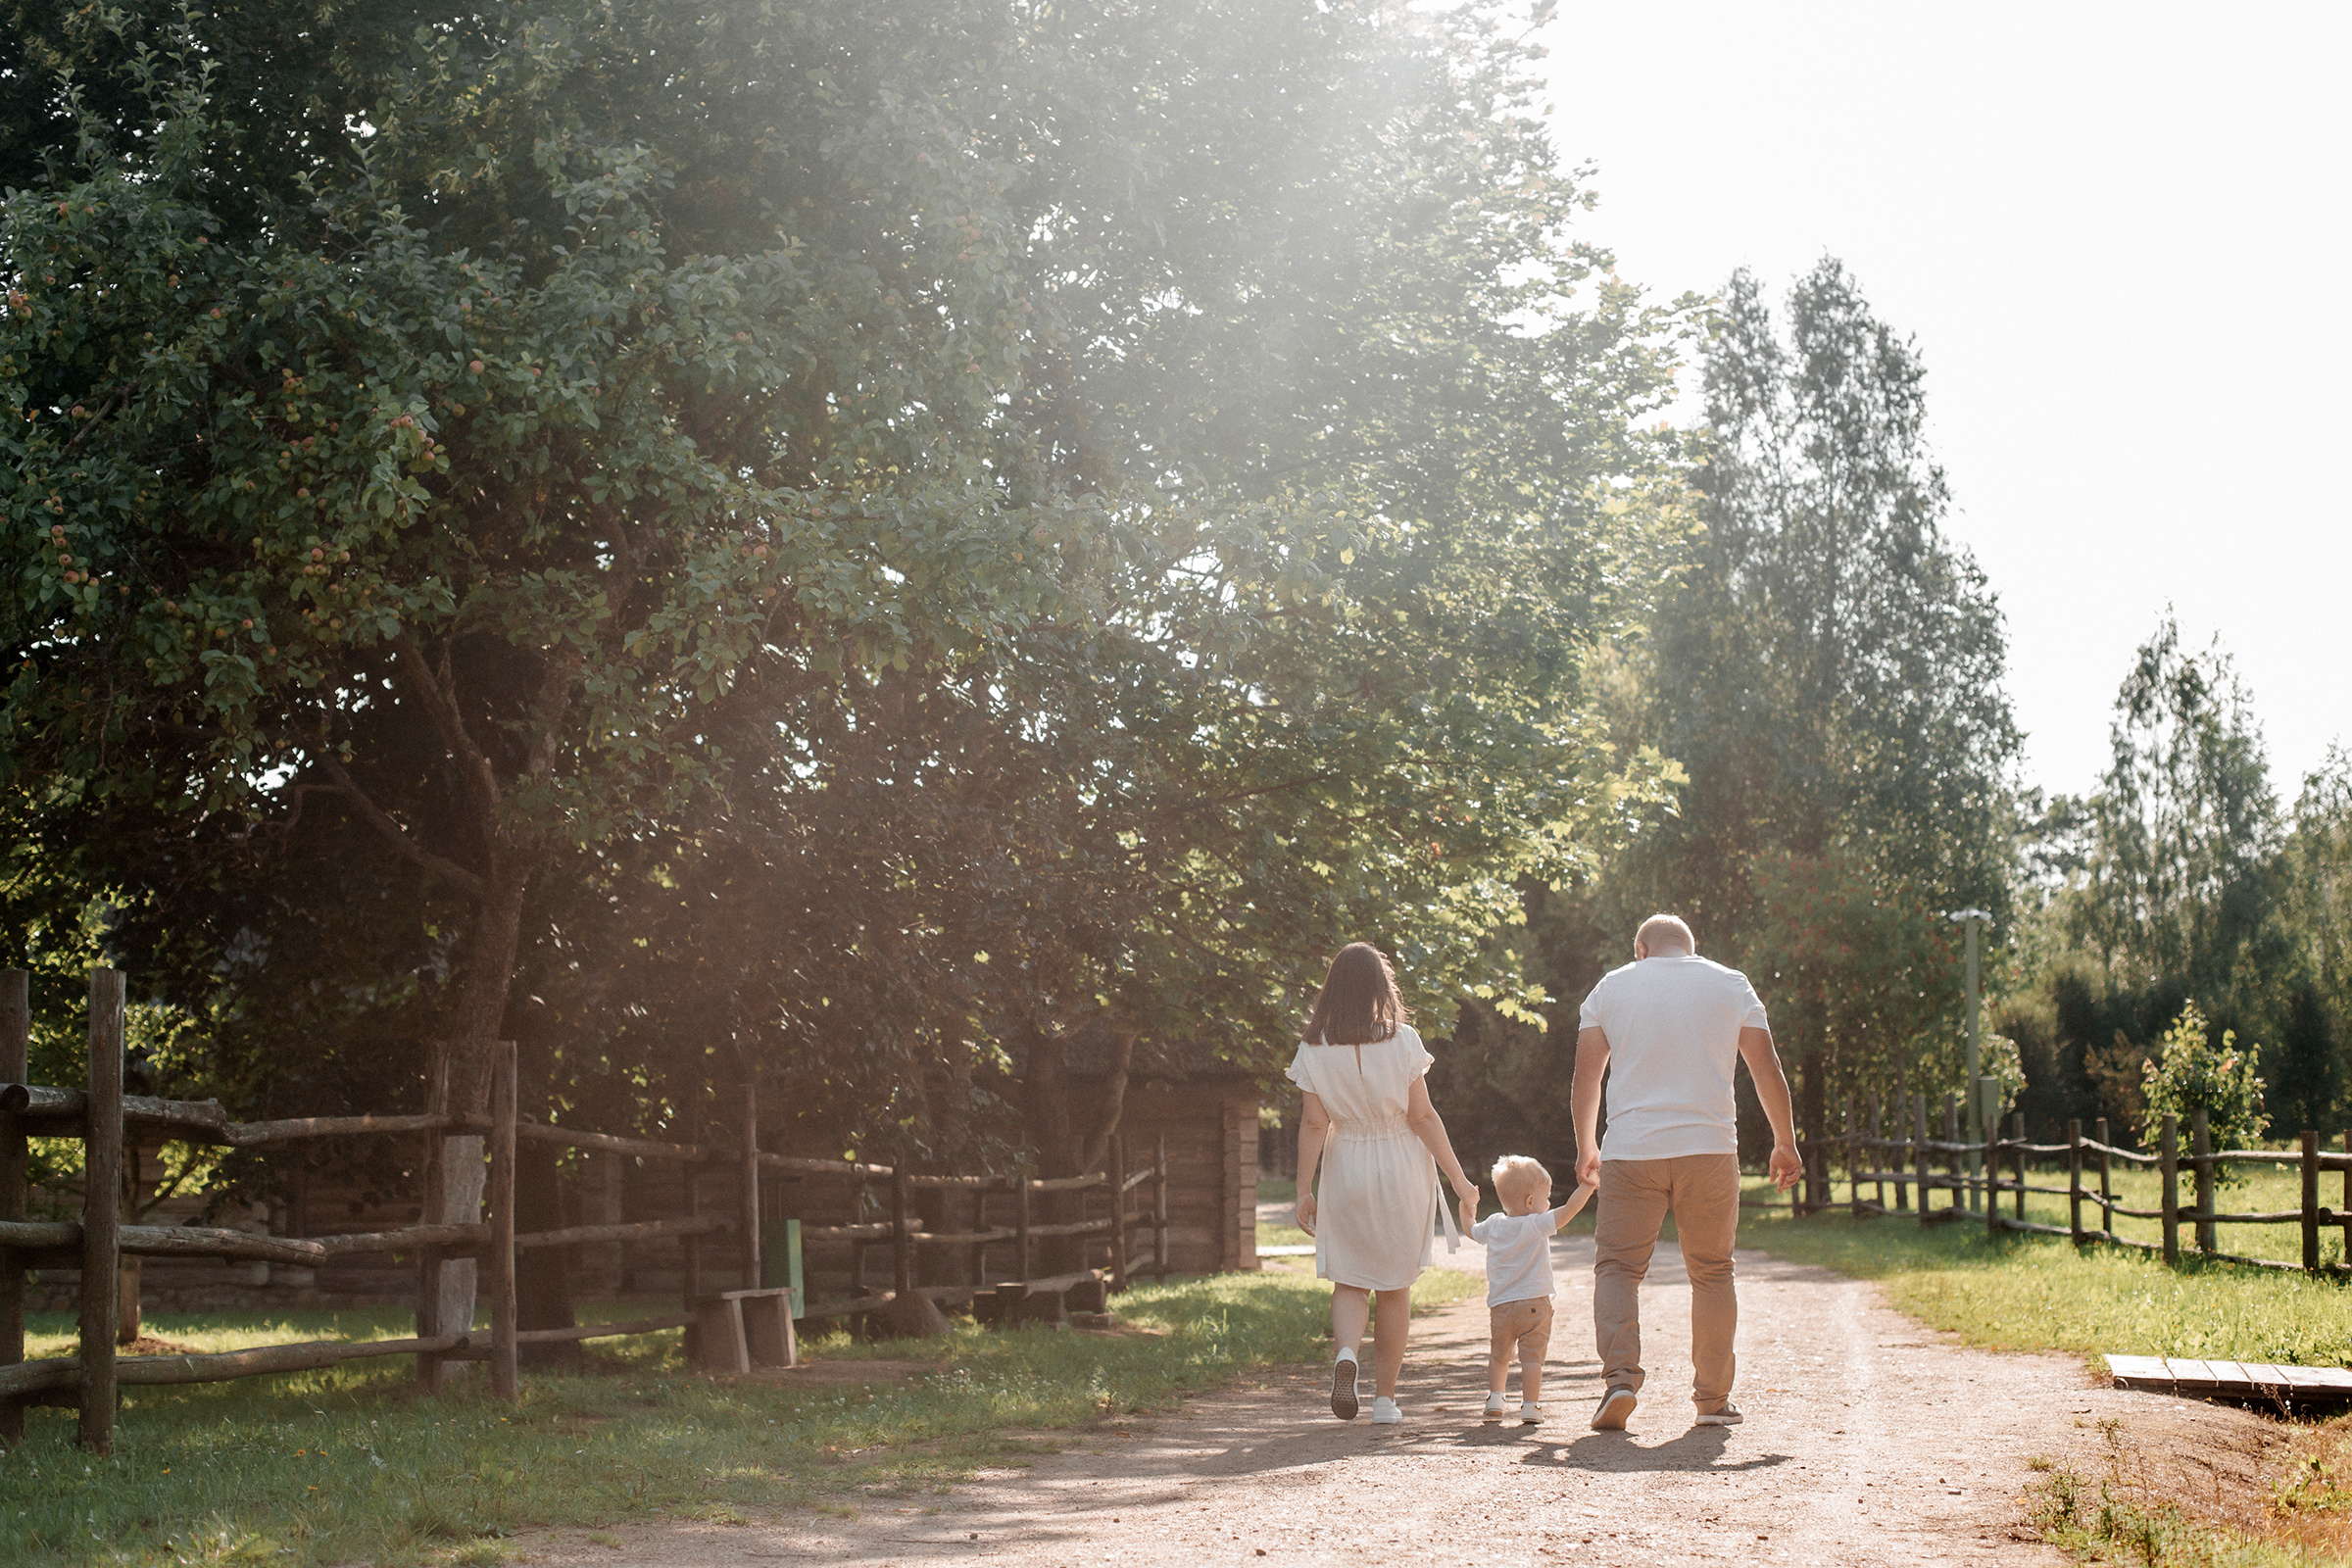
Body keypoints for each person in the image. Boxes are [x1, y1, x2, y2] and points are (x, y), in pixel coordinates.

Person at [1572, 913, 1801, 1433]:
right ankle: (1713, 1401)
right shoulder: (1730, 983)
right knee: (1713, 1271)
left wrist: (1587, 1143)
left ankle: (1620, 1381)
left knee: (1617, 1269)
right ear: (1691, 948)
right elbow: (1767, 1069)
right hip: (1709, 1149)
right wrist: (1784, 1142)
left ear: (1641, 948)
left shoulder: (1610, 987)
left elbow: (1587, 1075)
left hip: (1632, 1151)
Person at [1292, 942, 1481, 1426]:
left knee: (1350, 1278)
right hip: (1399, 1164)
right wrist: (1459, 1180)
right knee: (1395, 1287)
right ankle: (1385, 1400)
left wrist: (1302, 1190)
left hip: (1346, 1162)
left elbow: (1314, 1125)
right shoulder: (1402, 1041)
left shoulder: (1313, 1048)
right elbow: (1422, 1116)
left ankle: (1346, 1355)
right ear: (1381, 987)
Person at [1470, 1154, 1593, 1424]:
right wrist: (1588, 1186)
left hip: (1501, 1306)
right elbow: (1568, 1211)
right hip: (1534, 1305)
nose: (1549, 1204)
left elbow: (1471, 1230)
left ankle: (1494, 1398)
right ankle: (1530, 1405)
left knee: (1499, 1355)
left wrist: (1468, 1206)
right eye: (1546, 1198)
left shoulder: (1493, 1224)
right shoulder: (1535, 1223)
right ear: (1530, 1202)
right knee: (1532, 1359)